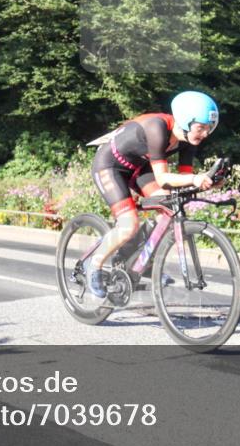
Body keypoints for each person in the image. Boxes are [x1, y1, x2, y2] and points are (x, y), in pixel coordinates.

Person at [86, 91, 219, 298]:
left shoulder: (188, 140)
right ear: (185, 121)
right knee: (128, 224)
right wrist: (194, 179)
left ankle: (141, 258)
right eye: (200, 127)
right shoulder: (157, 128)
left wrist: (208, 182)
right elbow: (165, 178)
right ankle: (94, 265)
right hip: (110, 166)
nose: (204, 134)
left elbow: (183, 181)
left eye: (208, 129)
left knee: (167, 208)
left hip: (139, 169)